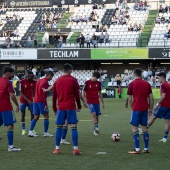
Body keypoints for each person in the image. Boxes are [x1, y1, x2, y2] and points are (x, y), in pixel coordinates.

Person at [52, 63, 82, 155]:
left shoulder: (57, 80)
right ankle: (75, 149)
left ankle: (57, 149)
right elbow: (77, 95)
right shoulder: (73, 80)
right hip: (70, 106)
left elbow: (54, 96)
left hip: (61, 107)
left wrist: (54, 108)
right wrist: (79, 105)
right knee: (73, 127)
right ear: (70, 70)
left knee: (59, 127)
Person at [127, 68, 153, 154]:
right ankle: (146, 148)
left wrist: (132, 107)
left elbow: (130, 99)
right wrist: (150, 108)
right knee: (144, 128)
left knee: (134, 127)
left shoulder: (131, 84)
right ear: (141, 75)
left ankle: (137, 149)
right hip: (145, 108)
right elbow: (151, 98)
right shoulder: (147, 84)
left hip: (136, 108)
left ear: (134, 75)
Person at [0, 66, 21, 151]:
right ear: (8, 72)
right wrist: (17, 105)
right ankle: (11, 147)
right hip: (5, 107)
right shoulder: (8, 82)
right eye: (12, 73)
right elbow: (12, 95)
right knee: (10, 125)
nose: (12, 75)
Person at [28, 71, 54, 137]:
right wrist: (45, 104)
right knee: (46, 116)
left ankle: (30, 131)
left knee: (36, 117)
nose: (51, 78)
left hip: (36, 100)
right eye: (51, 76)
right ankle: (45, 133)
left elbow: (35, 90)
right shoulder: (45, 82)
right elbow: (44, 93)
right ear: (49, 75)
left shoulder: (39, 80)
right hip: (41, 101)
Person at [148, 72, 170, 143]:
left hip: (162, 105)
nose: (158, 79)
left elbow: (163, 95)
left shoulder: (163, 85)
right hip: (168, 106)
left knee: (153, 116)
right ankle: (165, 138)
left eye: (158, 78)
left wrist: (157, 104)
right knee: (167, 121)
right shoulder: (168, 84)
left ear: (161, 77)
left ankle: (143, 129)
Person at [82, 71, 105, 136]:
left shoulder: (99, 83)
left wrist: (103, 102)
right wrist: (84, 101)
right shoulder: (87, 82)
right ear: (93, 76)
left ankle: (95, 129)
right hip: (89, 101)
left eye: (97, 78)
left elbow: (100, 93)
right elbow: (83, 92)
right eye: (95, 78)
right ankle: (96, 127)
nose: (96, 79)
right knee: (93, 113)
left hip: (96, 101)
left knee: (97, 116)